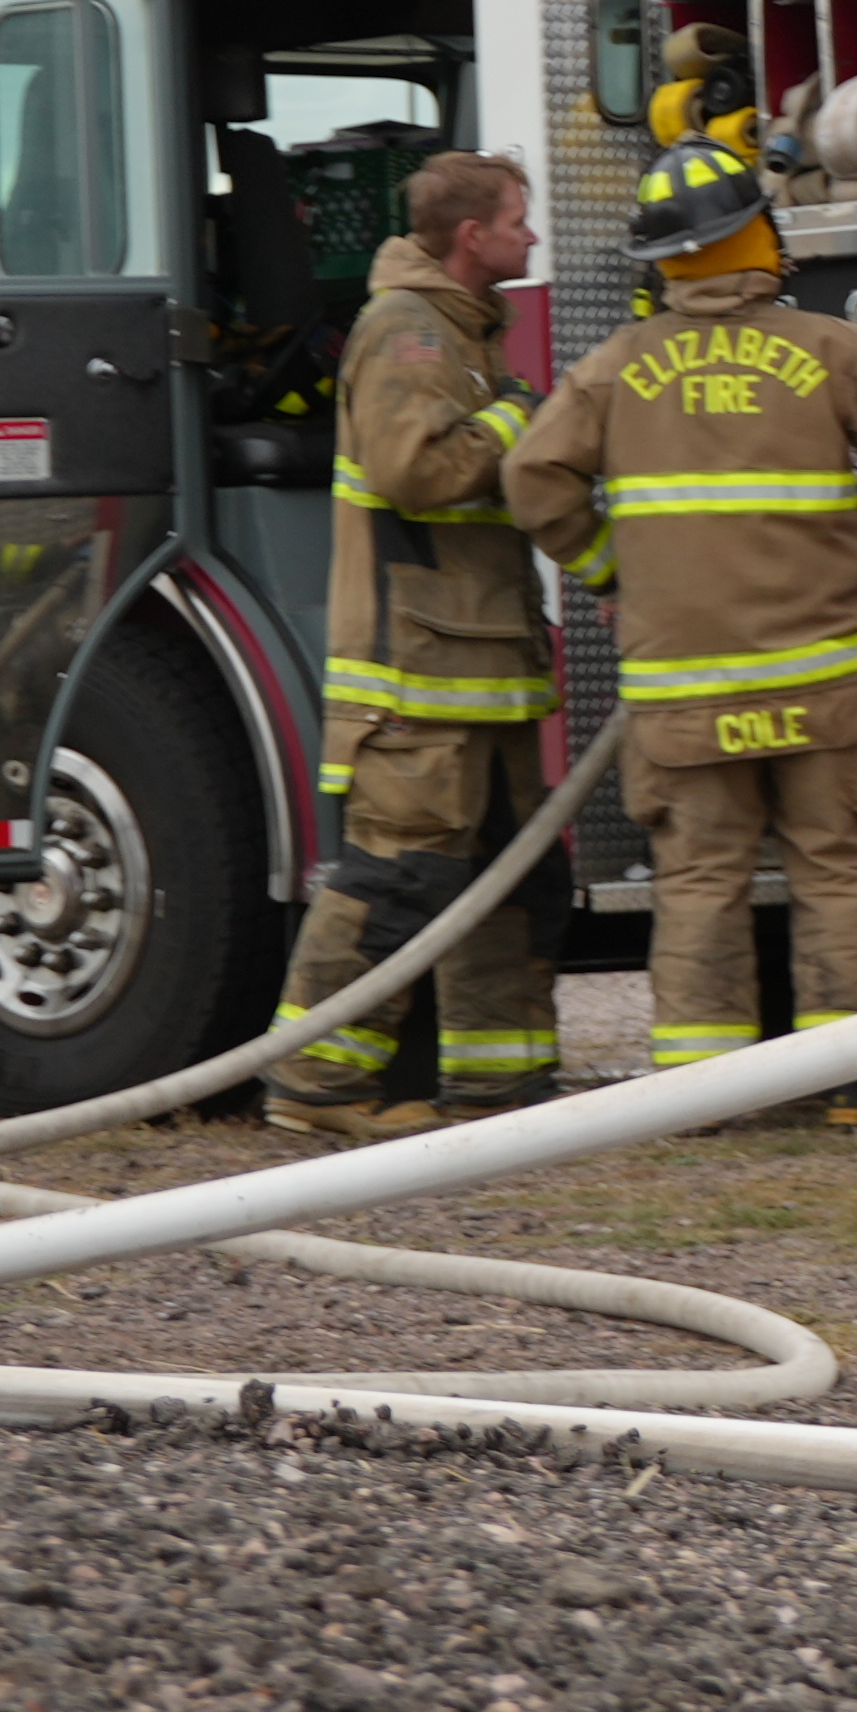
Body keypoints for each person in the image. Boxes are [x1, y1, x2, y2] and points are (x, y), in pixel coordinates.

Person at [503, 130, 857, 1114]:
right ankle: (856, 1083)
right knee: (839, 867)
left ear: (663, 261)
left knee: (698, 880)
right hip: (822, 683)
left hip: (684, 698)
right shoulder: (830, 349)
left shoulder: (615, 369)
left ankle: (697, 1094)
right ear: (758, 238)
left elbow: (532, 479)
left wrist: (613, 572)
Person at [262, 149, 573, 1135]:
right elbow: (415, 470)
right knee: (397, 885)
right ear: (471, 235)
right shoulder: (406, 328)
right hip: (419, 672)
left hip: (479, 669)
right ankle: (316, 1088)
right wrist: (517, 418)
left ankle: (499, 1091)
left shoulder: (461, 329)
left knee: (510, 886)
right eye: (517, 219)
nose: (531, 235)